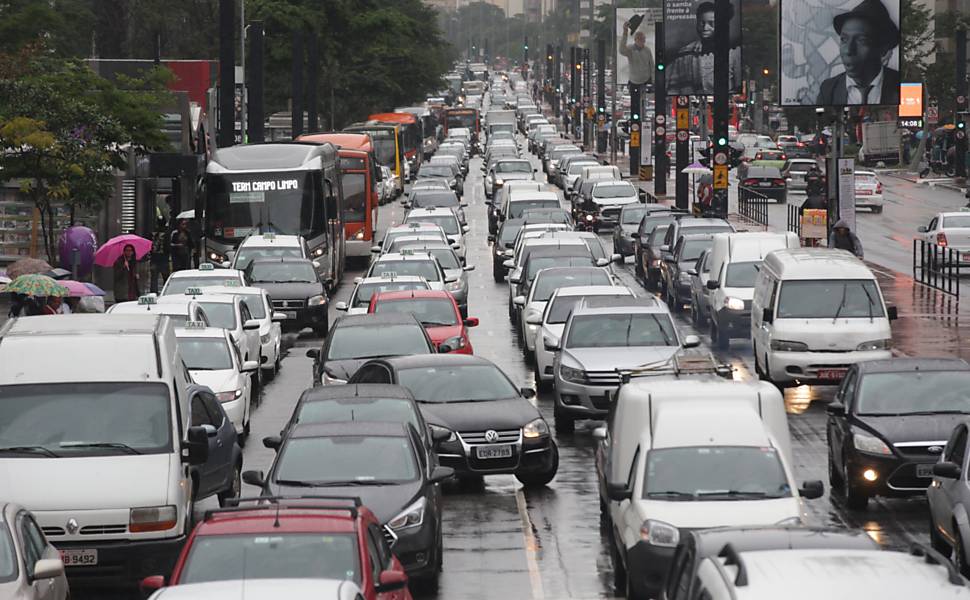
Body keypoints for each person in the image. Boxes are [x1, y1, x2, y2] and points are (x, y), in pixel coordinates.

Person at [815, 0, 900, 105]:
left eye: (862, 41)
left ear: (883, 49)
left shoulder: (902, 85)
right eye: (844, 40)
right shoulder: (828, 90)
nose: (848, 50)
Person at [667, 1, 741, 95]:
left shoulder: (734, 52)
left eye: (711, 23)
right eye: (702, 23)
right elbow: (673, 88)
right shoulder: (685, 53)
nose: (705, 27)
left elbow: (738, 88)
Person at [619, 19, 654, 97]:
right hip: (634, 81)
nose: (643, 42)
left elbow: (651, 65)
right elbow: (621, 50)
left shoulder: (647, 50)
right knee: (635, 101)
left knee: (646, 99)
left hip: (646, 80)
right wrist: (625, 32)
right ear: (636, 40)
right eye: (641, 40)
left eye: (644, 40)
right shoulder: (630, 49)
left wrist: (653, 81)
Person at [149, 215, 170, 294]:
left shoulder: (152, 233)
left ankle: (153, 293)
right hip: (164, 259)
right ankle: (165, 293)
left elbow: (149, 246)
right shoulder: (166, 233)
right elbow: (168, 247)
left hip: (154, 259)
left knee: (154, 278)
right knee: (166, 278)